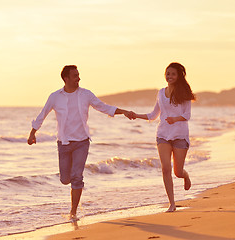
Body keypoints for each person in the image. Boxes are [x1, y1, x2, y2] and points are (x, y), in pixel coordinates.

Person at [27, 65, 134, 220]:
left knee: (77, 176)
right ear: (66, 78)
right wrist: (32, 133)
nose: (78, 78)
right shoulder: (55, 97)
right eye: (75, 76)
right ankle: (74, 190)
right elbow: (42, 115)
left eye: (78, 75)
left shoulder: (85, 94)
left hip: (82, 142)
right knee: (65, 180)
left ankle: (73, 212)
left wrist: (123, 111)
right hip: (63, 142)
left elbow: (103, 107)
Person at [132, 62, 195, 212]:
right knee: (166, 168)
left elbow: (187, 115)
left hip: (180, 135)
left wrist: (175, 119)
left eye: (173, 74)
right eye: (168, 73)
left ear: (178, 76)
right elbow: (153, 115)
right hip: (163, 135)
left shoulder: (184, 94)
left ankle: (185, 176)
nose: (170, 76)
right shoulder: (161, 93)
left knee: (177, 172)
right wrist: (136, 115)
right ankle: (172, 203)